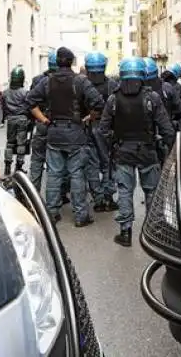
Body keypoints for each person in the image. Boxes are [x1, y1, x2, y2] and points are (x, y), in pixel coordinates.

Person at [97, 57, 175, 247]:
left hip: (123, 152)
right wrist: (170, 150)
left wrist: (113, 142)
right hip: (148, 152)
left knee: (125, 191)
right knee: (151, 192)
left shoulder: (113, 99)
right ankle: (153, 231)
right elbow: (167, 129)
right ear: (142, 74)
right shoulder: (152, 98)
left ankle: (125, 232)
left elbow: (103, 129)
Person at [26, 47, 104, 226]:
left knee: (53, 174)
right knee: (77, 174)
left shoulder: (46, 82)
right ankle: (80, 215)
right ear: (71, 62)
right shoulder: (80, 81)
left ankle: (52, 213)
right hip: (75, 133)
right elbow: (98, 103)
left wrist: (45, 120)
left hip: (54, 132)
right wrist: (88, 118)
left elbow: (30, 101)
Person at [83, 52, 118, 212]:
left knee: (92, 165)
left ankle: (98, 198)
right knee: (108, 164)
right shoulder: (112, 85)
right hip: (106, 129)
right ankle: (108, 197)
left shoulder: (82, 84)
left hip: (87, 128)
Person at [144, 57, 181, 162]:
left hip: (145, 139)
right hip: (165, 134)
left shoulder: (137, 92)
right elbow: (180, 109)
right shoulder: (167, 87)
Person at [28, 51, 57, 192]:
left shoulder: (37, 80)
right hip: (57, 123)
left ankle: (33, 195)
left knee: (37, 160)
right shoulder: (66, 79)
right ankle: (56, 198)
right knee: (55, 163)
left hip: (41, 121)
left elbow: (30, 102)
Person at [2, 66, 31, 176]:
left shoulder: (5, 93)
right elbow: (29, 107)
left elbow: (4, 107)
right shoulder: (24, 93)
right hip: (22, 119)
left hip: (11, 119)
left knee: (9, 143)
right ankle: (19, 167)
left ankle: (7, 166)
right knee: (21, 144)